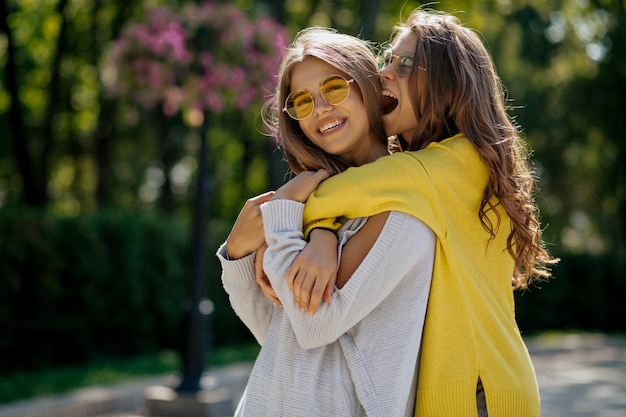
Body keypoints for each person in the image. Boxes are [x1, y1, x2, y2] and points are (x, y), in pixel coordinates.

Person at [288, 9, 558, 417]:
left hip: (474, 395)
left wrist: (302, 222)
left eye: (404, 63)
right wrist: (324, 231)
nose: (384, 74)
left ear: (446, 81)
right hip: (495, 385)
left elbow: (331, 194)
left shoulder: (443, 168)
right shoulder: (457, 165)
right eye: (387, 60)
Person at [216, 27, 435, 416]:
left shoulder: (407, 205)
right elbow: (277, 333)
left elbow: (313, 327)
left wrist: (287, 216)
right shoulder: (315, 206)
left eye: (333, 88)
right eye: (301, 101)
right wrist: (236, 256)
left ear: (368, 86)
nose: (319, 109)